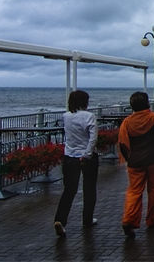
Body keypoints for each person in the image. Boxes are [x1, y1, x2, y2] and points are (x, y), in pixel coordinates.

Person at [117, 91, 154, 238]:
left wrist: (129, 159)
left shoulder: (127, 122)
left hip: (135, 162)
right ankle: (151, 219)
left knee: (134, 191)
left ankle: (129, 220)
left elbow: (122, 144)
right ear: (147, 103)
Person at [53, 90, 98, 238]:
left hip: (70, 155)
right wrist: (87, 154)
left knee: (69, 189)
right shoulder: (89, 116)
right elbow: (93, 139)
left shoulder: (66, 116)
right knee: (89, 188)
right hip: (87, 157)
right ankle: (87, 219)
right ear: (85, 101)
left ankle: (60, 220)